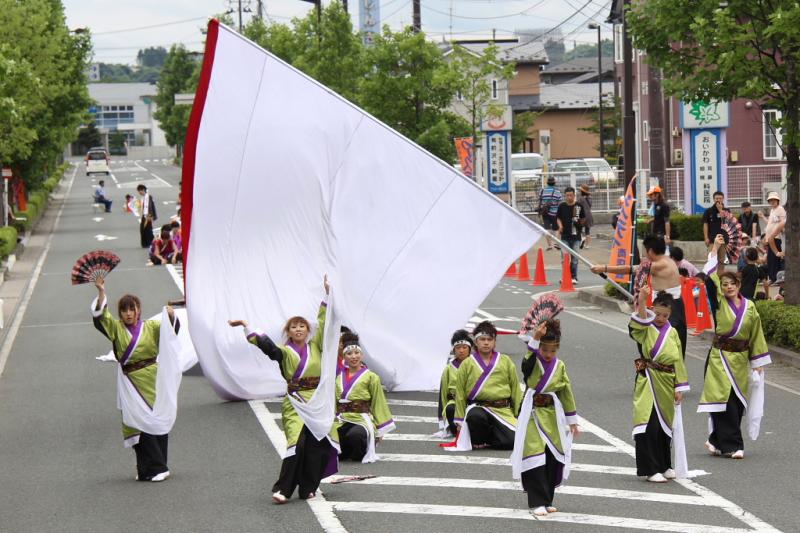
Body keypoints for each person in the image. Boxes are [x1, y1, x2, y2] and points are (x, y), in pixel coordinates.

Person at [228, 277, 339, 503]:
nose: (298, 329)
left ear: (308, 330)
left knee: (318, 444)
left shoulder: (316, 346)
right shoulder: (284, 352)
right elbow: (267, 347)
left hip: (317, 401)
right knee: (296, 443)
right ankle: (284, 489)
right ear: (288, 331)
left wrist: (327, 296)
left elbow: (325, 322)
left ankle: (309, 486)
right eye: (293, 326)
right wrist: (247, 327)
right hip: (296, 401)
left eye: (302, 325)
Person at [91, 276, 179, 482]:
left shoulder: (152, 327)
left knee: (156, 419)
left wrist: (171, 315)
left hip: (153, 378)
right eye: (124, 310)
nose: (128, 313)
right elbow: (100, 317)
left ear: (138, 310)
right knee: (137, 423)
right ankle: (148, 468)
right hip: (130, 382)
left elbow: (170, 330)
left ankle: (159, 466)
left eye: (132, 309)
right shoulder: (115, 328)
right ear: (120, 313)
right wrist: (101, 292)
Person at [698, 235, 771, 459]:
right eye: (725, 284)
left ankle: (715, 441)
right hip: (720, 358)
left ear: (739, 285)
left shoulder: (749, 307)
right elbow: (709, 276)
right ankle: (733, 445)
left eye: (732, 284)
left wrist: (757, 362)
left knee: (737, 402)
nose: (728, 287)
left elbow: (756, 334)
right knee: (724, 400)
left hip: (740, 360)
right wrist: (716, 247)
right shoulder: (719, 302)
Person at [512, 319, 579, 516]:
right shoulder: (532, 362)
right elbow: (525, 366)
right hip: (532, 413)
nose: (549, 354)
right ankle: (537, 501)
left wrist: (572, 421)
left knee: (552, 456)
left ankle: (547, 498)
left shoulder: (560, 366)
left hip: (552, 415)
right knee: (535, 455)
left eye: (553, 351)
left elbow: (566, 391)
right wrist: (536, 338)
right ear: (539, 347)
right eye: (545, 350)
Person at [628, 288, 690, 482]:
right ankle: (650, 468)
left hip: (667, 380)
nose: (661, 318)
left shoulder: (672, 332)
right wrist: (643, 299)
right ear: (652, 309)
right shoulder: (646, 328)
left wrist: (679, 386)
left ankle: (664, 465)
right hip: (649, 380)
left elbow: (678, 359)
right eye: (657, 313)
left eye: (665, 315)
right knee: (649, 424)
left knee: (665, 425)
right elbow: (638, 323)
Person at [592, 236, 687, 358]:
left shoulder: (659, 265)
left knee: (662, 343)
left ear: (651, 251)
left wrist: (604, 268)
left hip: (668, 307)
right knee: (666, 341)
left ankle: (656, 370)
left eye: (645, 250)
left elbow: (631, 269)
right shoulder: (667, 260)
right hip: (670, 304)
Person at [452, 321, 522, 451]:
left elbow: (515, 388)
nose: (486, 342)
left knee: (513, 442)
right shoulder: (467, 363)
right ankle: (480, 438)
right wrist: (459, 421)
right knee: (475, 417)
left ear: (494, 342)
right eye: (482, 339)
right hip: (479, 407)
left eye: (490, 339)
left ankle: (491, 437)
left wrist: (518, 413)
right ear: (476, 342)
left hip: (502, 409)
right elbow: (460, 393)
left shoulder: (505, 361)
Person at [335, 338, 395, 462]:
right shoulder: (338, 377)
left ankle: (362, 449)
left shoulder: (372, 377)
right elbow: (333, 402)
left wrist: (380, 429)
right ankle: (344, 451)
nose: (353, 356)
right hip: (341, 418)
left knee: (355, 436)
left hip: (361, 418)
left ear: (362, 355)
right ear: (344, 357)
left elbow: (378, 402)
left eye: (357, 353)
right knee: (329, 437)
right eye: (349, 353)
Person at [438, 329, 473, 437]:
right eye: (458, 348)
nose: (461, 350)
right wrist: (441, 420)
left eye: (464, 347)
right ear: (453, 350)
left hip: (471, 401)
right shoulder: (448, 369)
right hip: (454, 401)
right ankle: (456, 431)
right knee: (450, 408)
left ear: (470, 349)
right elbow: (443, 395)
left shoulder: (475, 365)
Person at [555, 187, 585, 284]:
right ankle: (565, 276)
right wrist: (560, 226)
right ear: (565, 196)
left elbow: (584, 219)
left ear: (574, 195)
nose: (569, 197)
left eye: (571, 195)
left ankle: (574, 277)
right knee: (564, 258)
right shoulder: (562, 206)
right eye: (567, 195)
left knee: (575, 259)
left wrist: (579, 222)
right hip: (564, 237)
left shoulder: (578, 206)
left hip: (576, 237)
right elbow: (558, 218)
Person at [759, 191, 786, 283]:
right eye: (771, 200)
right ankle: (773, 278)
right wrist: (763, 217)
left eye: (774, 200)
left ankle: (775, 278)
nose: (772, 201)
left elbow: (783, 222)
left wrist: (778, 233)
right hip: (770, 238)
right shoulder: (772, 210)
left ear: (777, 200)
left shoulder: (780, 209)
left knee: (775, 259)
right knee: (771, 259)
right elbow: (770, 224)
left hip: (776, 237)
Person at [702, 191, 729, 263]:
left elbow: (726, 223)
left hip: (723, 239)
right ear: (713, 199)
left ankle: (720, 274)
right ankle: (712, 274)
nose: (718, 200)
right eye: (716, 198)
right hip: (712, 239)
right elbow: (705, 225)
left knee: (721, 260)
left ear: (723, 199)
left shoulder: (727, 210)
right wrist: (706, 238)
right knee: (712, 259)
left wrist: (720, 210)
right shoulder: (708, 211)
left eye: (720, 198)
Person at [538, 177, 563, 250]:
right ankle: (557, 244)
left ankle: (549, 245)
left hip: (545, 212)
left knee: (547, 228)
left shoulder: (542, 191)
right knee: (557, 229)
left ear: (547, 183)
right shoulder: (557, 191)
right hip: (555, 213)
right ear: (554, 183)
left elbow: (540, 200)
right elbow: (560, 202)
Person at [137, 184, 157, 249]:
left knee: (148, 230)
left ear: (143, 190)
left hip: (148, 216)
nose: (139, 192)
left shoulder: (148, 197)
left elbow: (150, 206)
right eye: (138, 191)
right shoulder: (143, 197)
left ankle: (150, 243)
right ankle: (146, 243)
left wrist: (150, 216)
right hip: (144, 215)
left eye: (140, 190)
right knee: (143, 230)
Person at [577, 184, 593, 249]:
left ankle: (582, 239)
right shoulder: (590, 198)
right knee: (588, 231)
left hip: (582, 216)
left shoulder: (580, 198)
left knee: (579, 229)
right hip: (589, 215)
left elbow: (577, 207)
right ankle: (587, 245)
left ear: (581, 191)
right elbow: (590, 206)